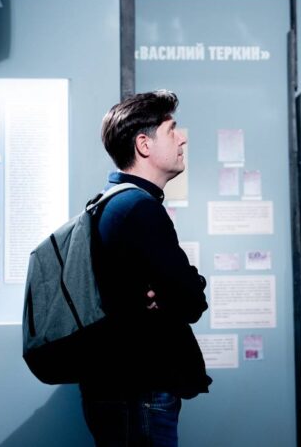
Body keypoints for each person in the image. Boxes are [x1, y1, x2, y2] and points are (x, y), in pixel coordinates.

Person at [80, 90, 211, 446]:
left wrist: (166, 294)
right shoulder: (139, 208)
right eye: (172, 130)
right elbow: (192, 301)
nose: (182, 138)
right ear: (144, 144)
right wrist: (181, 289)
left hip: (116, 387)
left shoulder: (108, 203)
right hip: (141, 391)